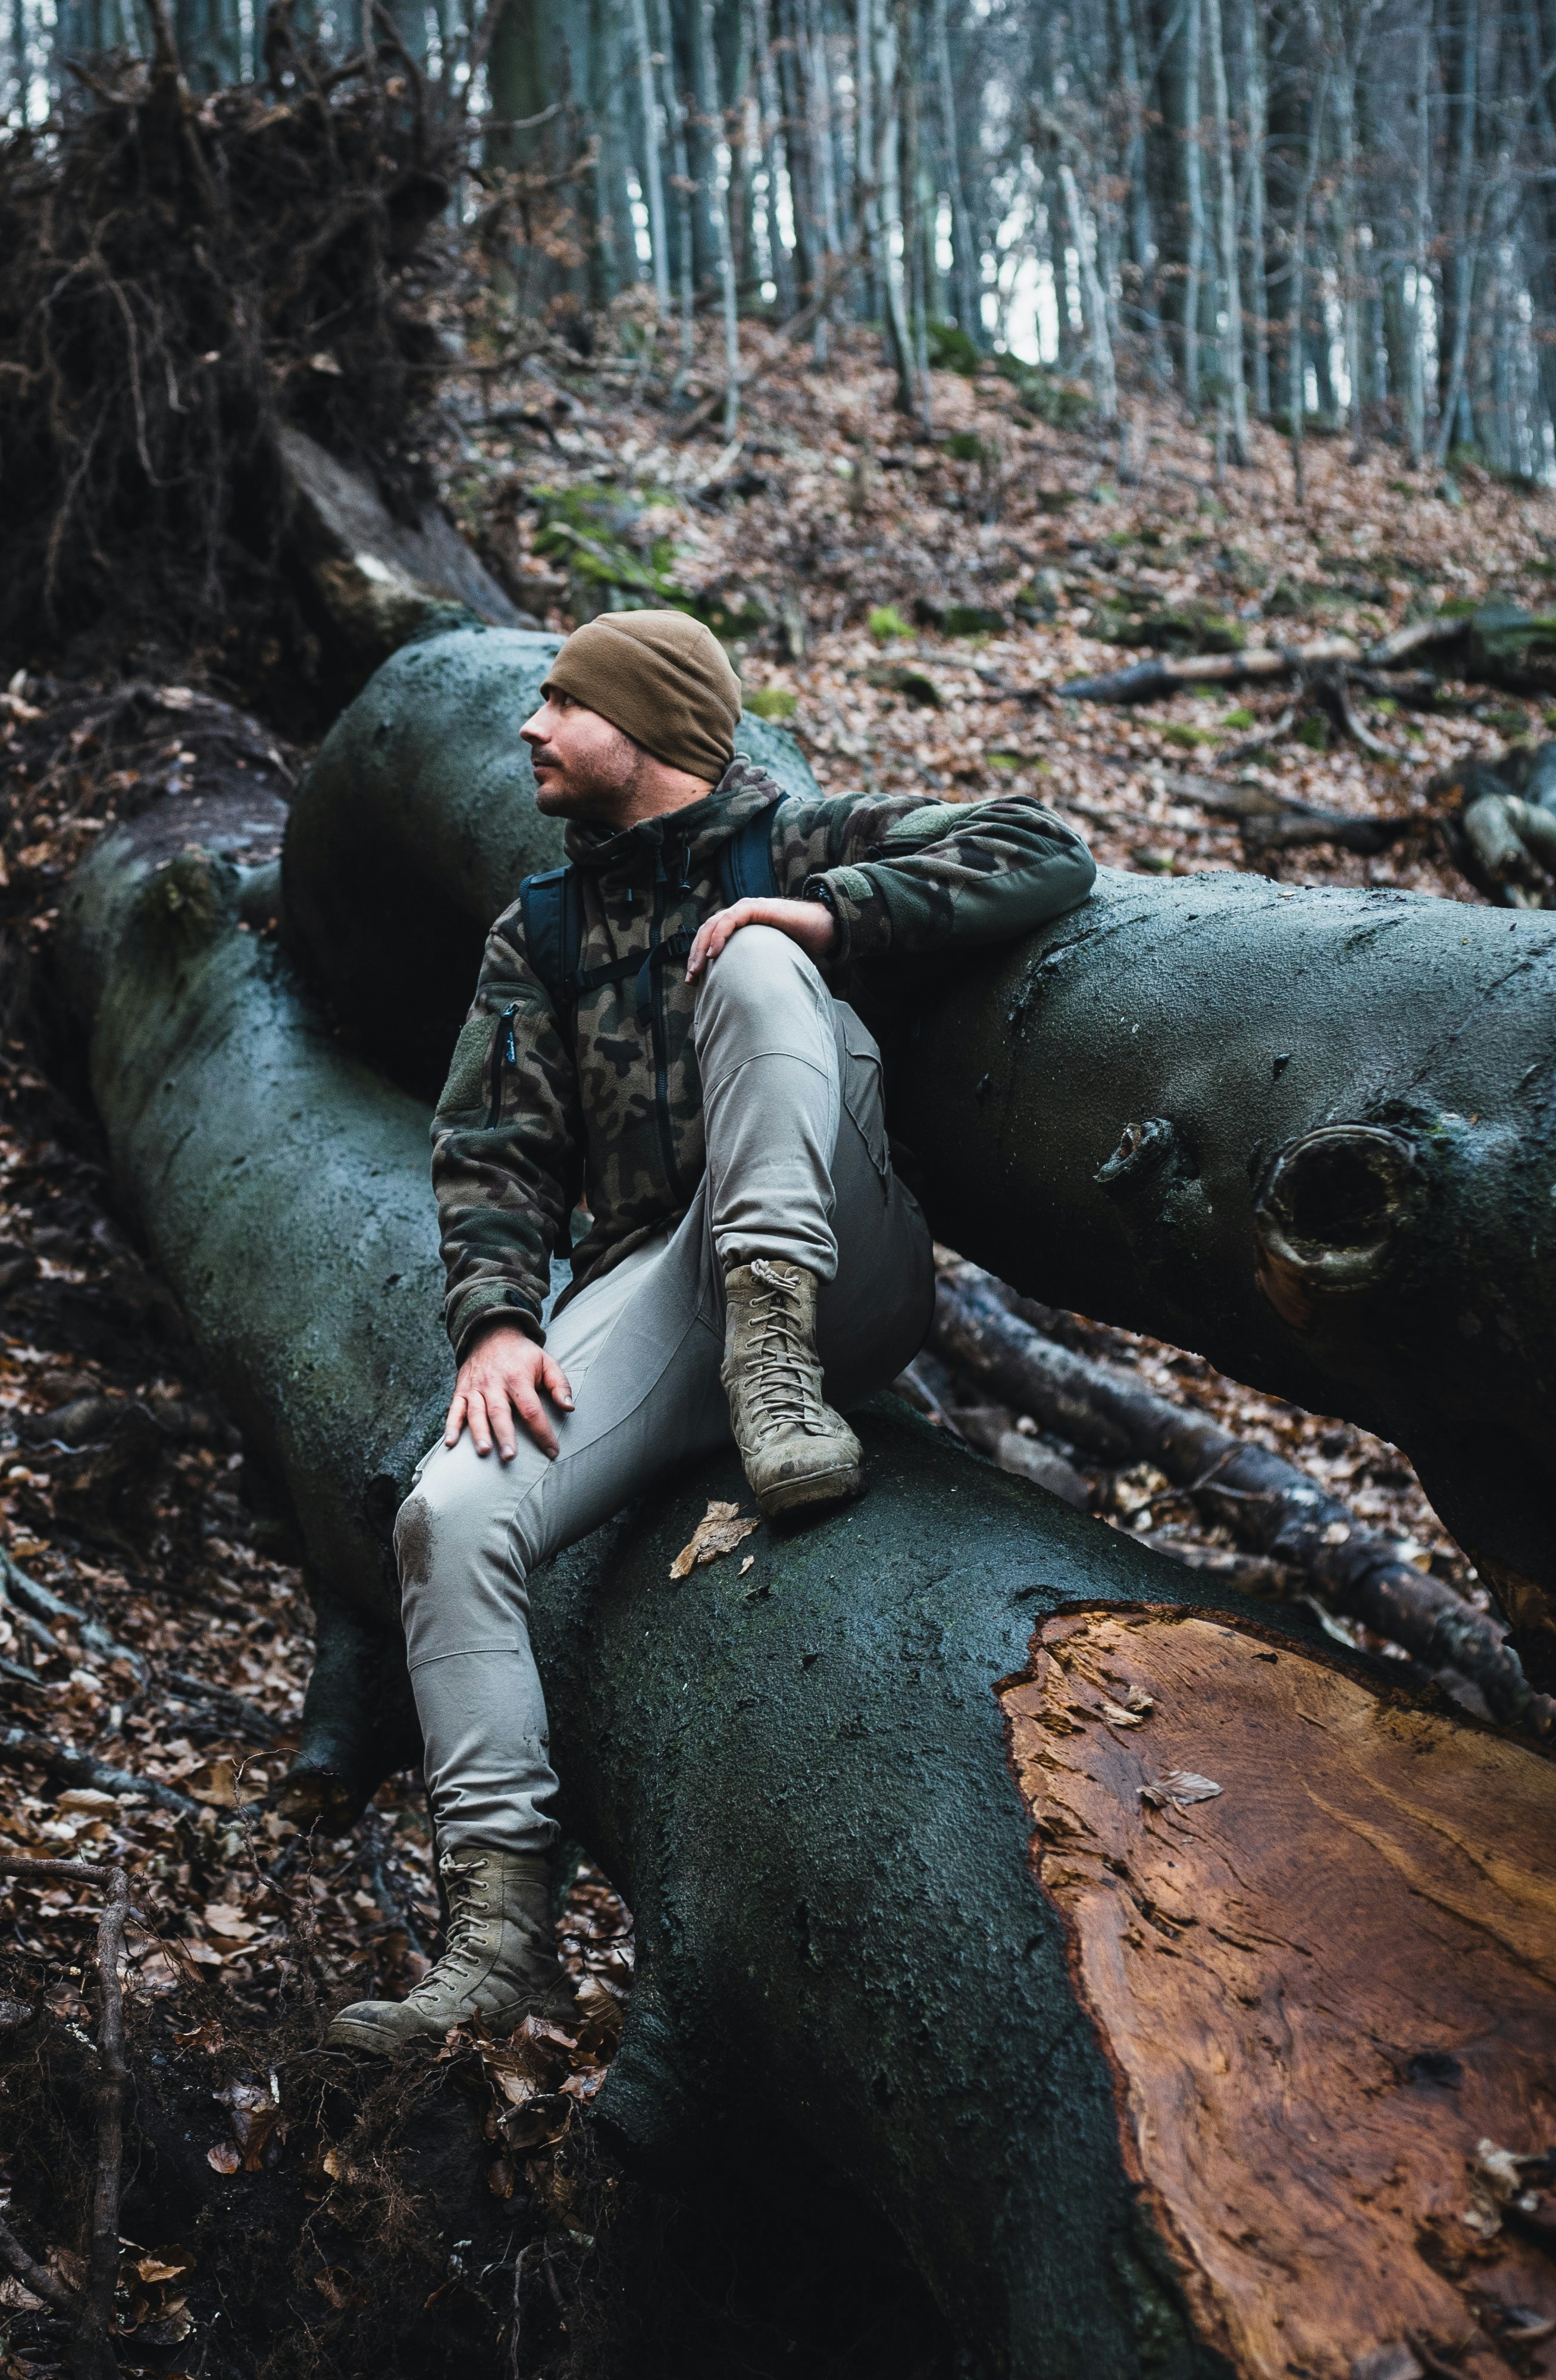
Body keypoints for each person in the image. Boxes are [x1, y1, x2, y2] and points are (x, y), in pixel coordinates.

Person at [327, 610, 1094, 2053]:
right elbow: (488, 1150)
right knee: (449, 1514)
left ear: (653, 724)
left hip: (842, 1264)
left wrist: (824, 916)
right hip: (654, 1290)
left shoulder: (801, 838)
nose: (529, 724)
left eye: (564, 701)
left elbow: (1044, 848)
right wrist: (496, 1324)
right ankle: (494, 1940)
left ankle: (778, 1364)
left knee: (746, 961)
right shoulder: (539, 931)